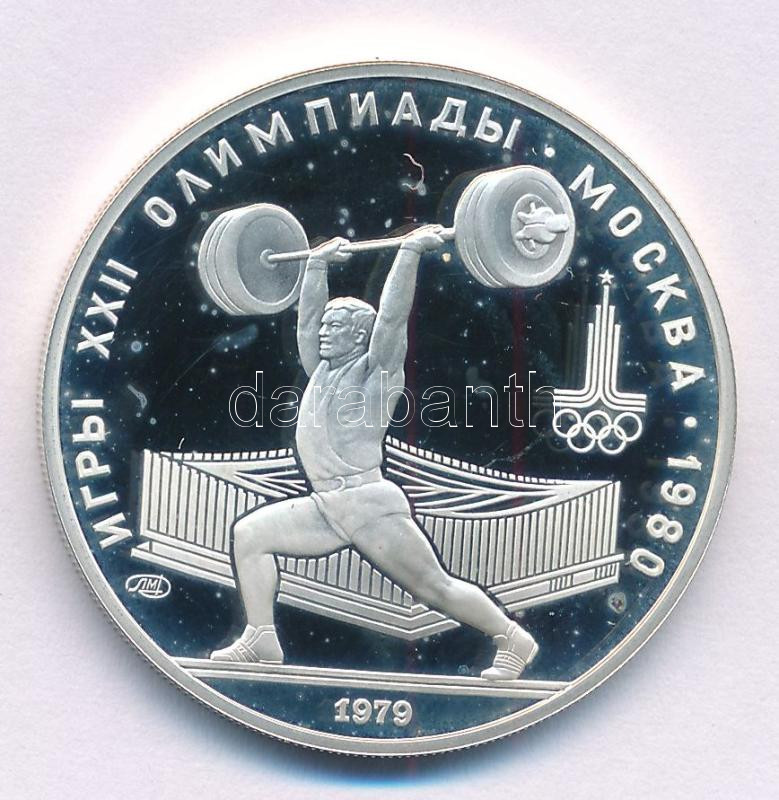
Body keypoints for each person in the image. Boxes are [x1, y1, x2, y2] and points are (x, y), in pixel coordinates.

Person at [210, 225, 538, 680]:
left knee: (434, 589)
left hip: (367, 505)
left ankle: (512, 637)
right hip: (327, 505)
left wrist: (409, 252)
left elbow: (392, 319)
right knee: (249, 535)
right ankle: (261, 637)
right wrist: (316, 266)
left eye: (336, 327)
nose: (324, 333)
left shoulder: (377, 374)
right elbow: (306, 322)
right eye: (326, 325)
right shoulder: (322, 370)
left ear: (360, 335)